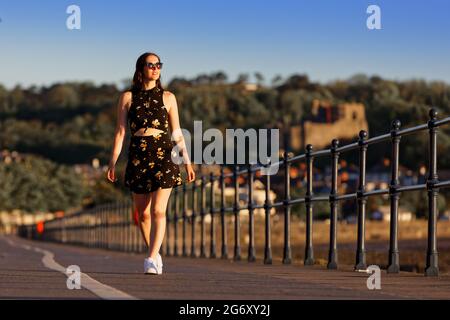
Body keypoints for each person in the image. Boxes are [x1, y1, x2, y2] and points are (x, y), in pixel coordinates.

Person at [106, 52, 195, 275]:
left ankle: (151, 258)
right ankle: (154, 252)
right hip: (138, 155)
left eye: (158, 65)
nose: (155, 68)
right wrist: (112, 162)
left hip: (164, 154)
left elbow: (176, 132)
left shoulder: (168, 97)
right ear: (140, 69)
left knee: (157, 210)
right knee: (142, 214)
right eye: (150, 65)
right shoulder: (127, 97)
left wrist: (187, 162)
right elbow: (120, 131)